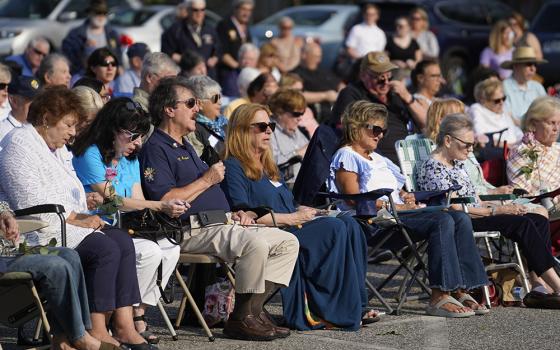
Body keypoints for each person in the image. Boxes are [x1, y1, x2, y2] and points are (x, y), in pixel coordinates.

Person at [139, 77, 299, 341]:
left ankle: (251, 312)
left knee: (287, 242)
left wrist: (235, 213)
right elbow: (166, 198)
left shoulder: (185, 144)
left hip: (220, 224)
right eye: (190, 103)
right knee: (255, 244)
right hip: (190, 229)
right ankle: (241, 320)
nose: (197, 109)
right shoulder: (156, 147)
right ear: (169, 109)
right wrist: (207, 180)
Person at [0, 86, 157, 349]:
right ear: (47, 117)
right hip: (39, 232)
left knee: (121, 241)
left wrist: (84, 204)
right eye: (69, 124)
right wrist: (80, 218)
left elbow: (59, 193)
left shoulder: (53, 148)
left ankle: (123, 326)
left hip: (61, 222)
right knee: (104, 248)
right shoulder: (20, 145)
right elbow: (33, 205)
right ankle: (95, 330)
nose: (74, 132)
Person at [222, 102, 378, 329]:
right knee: (335, 229)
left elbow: (288, 204)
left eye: (271, 125)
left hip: (293, 225)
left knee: (348, 222)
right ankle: (324, 311)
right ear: (242, 130)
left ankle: (354, 305)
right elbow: (242, 213)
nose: (268, 131)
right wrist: (292, 219)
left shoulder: (267, 167)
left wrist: (308, 212)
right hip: (273, 232)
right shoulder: (233, 166)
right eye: (261, 126)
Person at [330, 100, 489, 317]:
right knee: (442, 221)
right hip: (373, 223)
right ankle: (438, 296)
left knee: (458, 217)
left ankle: (461, 288)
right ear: (356, 126)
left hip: (399, 216)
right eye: (375, 129)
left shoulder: (378, 158)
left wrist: (407, 197)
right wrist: (393, 204)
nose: (380, 135)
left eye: (383, 130)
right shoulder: (347, 155)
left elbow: (399, 189)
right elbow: (353, 199)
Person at [72, 98, 187, 345]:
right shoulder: (89, 154)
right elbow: (113, 200)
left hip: (123, 225)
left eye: (141, 137)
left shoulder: (130, 158)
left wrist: (164, 209)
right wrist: (160, 205)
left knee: (170, 249)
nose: (138, 143)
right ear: (112, 129)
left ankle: (137, 311)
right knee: (149, 253)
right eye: (133, 136)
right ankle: (118, 318)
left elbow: (137, 199)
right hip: (93, 224)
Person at [417, 113, 560, 309]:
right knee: (523, 224)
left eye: (472, 145)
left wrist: (504, 207)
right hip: (462, 219)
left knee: (537, 219)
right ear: (448, 140)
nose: (470, 150)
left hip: (477, 211)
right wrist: (498, 211)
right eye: (466, 145)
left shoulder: (456, 163)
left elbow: (474, 198)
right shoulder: (433, 167)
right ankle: (556, 284)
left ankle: (538, 285)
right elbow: (452, 206)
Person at [0, 202, 121, 350]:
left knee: (69, 255)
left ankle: (64, 338)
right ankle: (80, 338)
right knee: (56, 266)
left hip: (8, 251)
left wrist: (5, 215)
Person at [331, 51, 427, 164]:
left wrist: (407, 97)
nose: (386, 82)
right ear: (363, 75)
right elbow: (344, 128)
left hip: (414, 153)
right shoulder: (353, 93)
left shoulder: (397, 93)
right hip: (382, 159)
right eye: (380, 78)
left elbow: (426, 122)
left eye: (389, 77)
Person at [507, 96, 560, 197]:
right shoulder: (521, 152)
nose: (556, 129)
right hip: (543, 207)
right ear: (533, 124)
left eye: (559, 123)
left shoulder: (558, 148)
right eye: (551, 123)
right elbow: (522, 195)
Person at [161, 0, 219, 79]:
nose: (199, 13)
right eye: (195, 10)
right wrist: (189, 62)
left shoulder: (210, 30)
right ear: (188, 10)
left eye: (202, 10)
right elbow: (167, 53)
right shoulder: (176, 30)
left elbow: (218, 49)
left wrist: (214, 58)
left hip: (207, 77)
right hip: (185, 77)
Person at [62, 0, 122, 75]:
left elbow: (118, 55)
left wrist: (119, 66)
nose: (101, 16)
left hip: (107, 76)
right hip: (84, 75)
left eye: (104, 13)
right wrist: (84, 49)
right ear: (90, 13)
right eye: (98, 13)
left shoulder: (112, 34)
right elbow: (68, 57)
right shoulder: (75, 34)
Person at [291, 42, 341, 123]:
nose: (319, 60)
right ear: (304, 55)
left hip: (336, 112)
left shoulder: (323, 71)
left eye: (320, 57)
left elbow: (339, 83)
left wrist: (342, 92)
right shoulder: (294, 75)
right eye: (316, 57)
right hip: (316, 116)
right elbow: (295, 96)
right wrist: (325, 96)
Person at [268, 89, 309, 185]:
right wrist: (298, 153)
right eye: (296, 114)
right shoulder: (268, 130)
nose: (300, 118)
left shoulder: (296, 130)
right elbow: (270, 162)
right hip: (283, 185)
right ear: (279, 112)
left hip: (302, 185)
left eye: (302, 114)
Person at [469, 77, 523, 146]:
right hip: (495, 153)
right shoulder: (477, 109)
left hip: (515, 150)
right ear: (483, 100)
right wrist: (508, 146)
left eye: (503, 98)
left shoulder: (503, 110)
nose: (502, 103)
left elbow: (517, 132)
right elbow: (481, 138)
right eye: (497, 100)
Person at [216, 0, 254, 97]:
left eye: (249, 10)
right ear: (235, 9)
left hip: (242, 72)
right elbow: (222, 52)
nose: (247, 13)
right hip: (228, 73)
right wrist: (239, 67)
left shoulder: (246, 27)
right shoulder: (224, 25)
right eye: (244, 9)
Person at [501, 46, 547, 124]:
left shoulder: (537, 86)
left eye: (535, 65)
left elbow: (547, 111)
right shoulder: (503, 87)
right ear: (516, 66)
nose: (533, 69)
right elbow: (507, 116)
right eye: (529, 64)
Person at [184, 75, 228, 156]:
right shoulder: (194, 129)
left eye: (220, 97)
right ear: (199, 104)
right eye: (215, 98)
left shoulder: (225, 123)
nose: (220, 102)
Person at [0, 76, 42, 142]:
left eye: (40, 100)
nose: (37, 105)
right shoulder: (2, 132)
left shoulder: (44, 128)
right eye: (31, 100)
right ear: (13, 101)